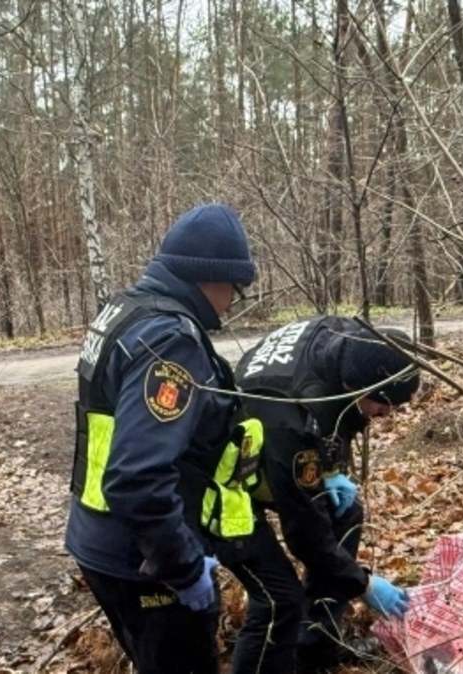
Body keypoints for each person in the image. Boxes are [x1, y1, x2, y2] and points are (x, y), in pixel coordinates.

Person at [65, 203, 261, 674]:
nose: (231, 302)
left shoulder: (123, 310)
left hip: (100, 540)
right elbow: (137, 477)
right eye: (233, 288)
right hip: (143, 560)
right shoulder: (170, 341)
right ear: (207, 277)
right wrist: (185, 567)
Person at [219, 316, 419, 674]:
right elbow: (305, 537)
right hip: (228, 487)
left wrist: (329, 471)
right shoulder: (291, 420)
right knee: (279, 600)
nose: (388, 414)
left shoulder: (341, 339)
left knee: (346, 514)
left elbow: (333, 421)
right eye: (384, 405)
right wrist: (365, 583)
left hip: (275, 450)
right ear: (359, 388)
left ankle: (315, 649)